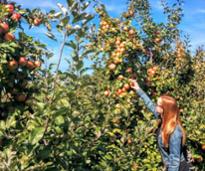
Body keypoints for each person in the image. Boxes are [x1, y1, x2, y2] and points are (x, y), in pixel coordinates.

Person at [129, 79, 190, 171]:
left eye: (158, 105)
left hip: (178, 168)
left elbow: (175, 160)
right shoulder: (163, 118)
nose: (155, 106)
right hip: (170, 166)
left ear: (165, 109)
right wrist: (138, 89)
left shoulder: (174, 132)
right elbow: (150, 104)